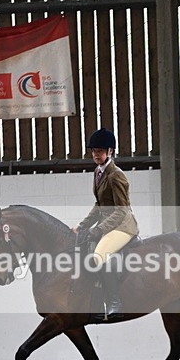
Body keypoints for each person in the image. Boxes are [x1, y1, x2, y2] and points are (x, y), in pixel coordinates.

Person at [72, 127, 139, 320]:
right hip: (109, 223)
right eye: (93, 151)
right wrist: (83, 225)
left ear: (110, 151)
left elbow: (122, 210)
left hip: (123, 226)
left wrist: (99, 229)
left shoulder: (116, 175)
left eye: (99, 151)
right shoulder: (98, 172)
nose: (95, 155)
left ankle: (114, 303)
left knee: (99, 254)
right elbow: (99, 205)